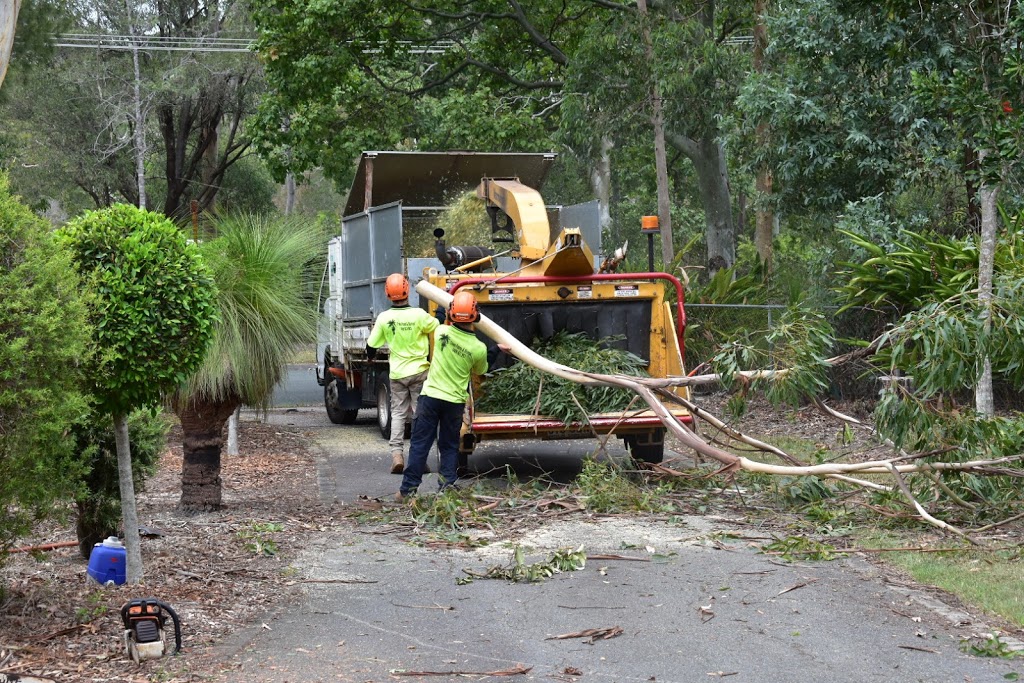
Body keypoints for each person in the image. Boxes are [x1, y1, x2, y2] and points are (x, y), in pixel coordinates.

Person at [397, 291, 489, 501]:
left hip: (430, 398)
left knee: (420, 444)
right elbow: (480, 370)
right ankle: (446, 488)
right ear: (476, 315)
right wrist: (498, 351)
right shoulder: (478, 348)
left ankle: (407, 491)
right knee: (448, 446)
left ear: (451, 314)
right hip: (454, 403)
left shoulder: (441, 334)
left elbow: (439, 320)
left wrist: (441, 306)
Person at [366, 273, 439, 474]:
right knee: (419, 415)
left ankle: (397, 455)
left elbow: (371, 346)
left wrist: (370, 358)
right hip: (419, 373)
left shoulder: (384, 318)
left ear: (388, 294)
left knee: (398, 413)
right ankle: (419, 459)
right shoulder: (418, 315)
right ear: (407, 290)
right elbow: (437, 324)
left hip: (397, 374)